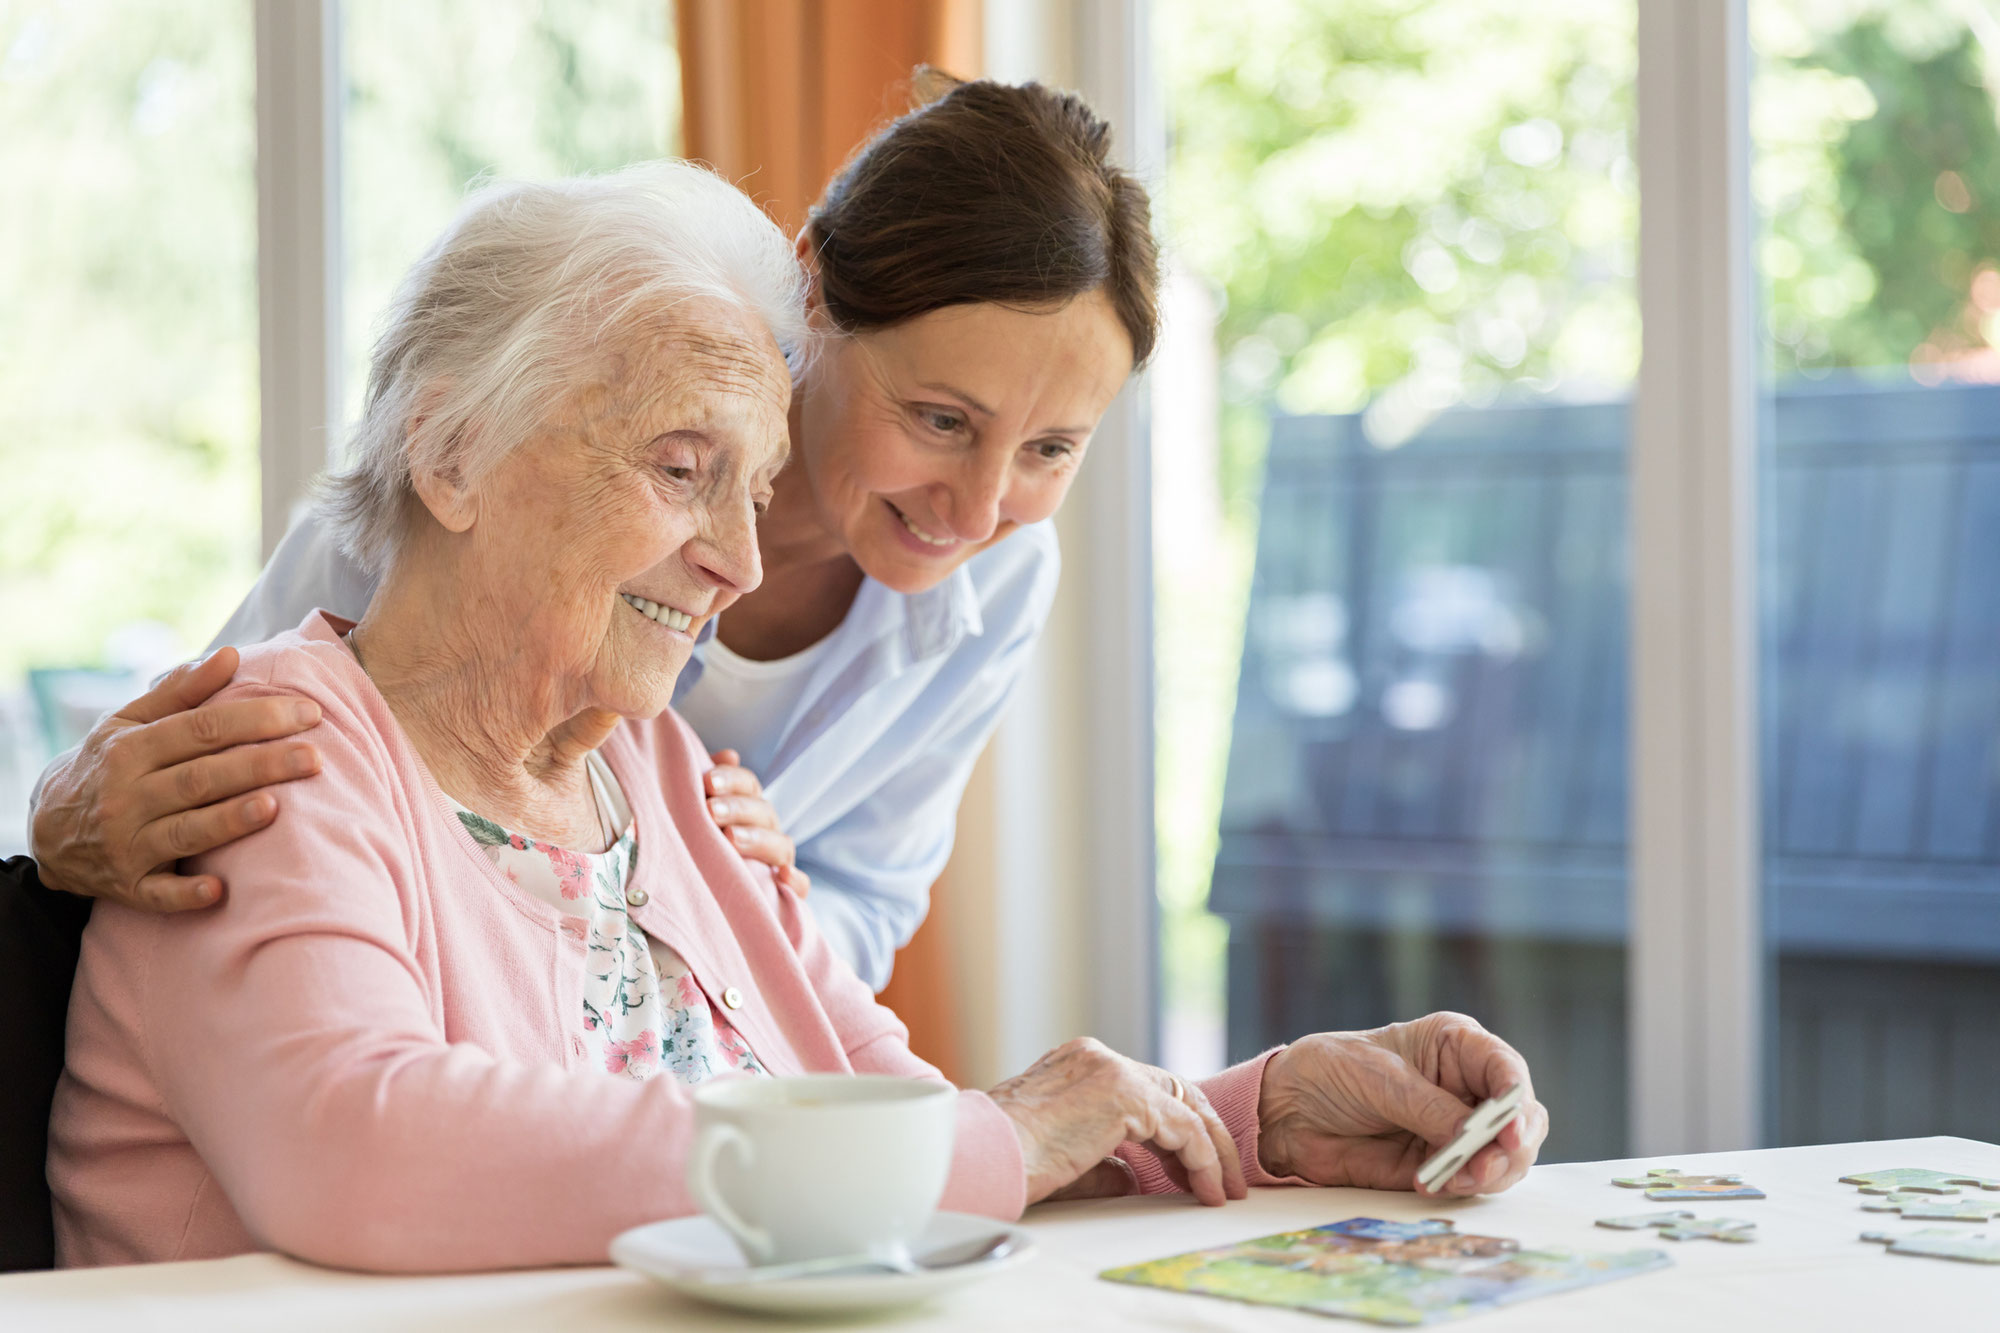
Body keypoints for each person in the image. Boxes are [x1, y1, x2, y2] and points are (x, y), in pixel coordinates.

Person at [49, 165, 1548, 1273]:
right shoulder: (264, 755)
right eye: (681, 467)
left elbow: (908, 1136)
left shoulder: (674, 783)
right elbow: (361, 1150)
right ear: (452, 454)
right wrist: (988, 1137)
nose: (742, 560)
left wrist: (1248, 1115)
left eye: (754, 489)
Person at [30, 73, 1154, 990]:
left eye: (1051, 449)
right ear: (810, 285)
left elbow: (867, 897)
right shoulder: (521, 466)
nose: (978, 505)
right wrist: (56, 829)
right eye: (940, 420)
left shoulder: (1001, 581)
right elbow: (188, 762)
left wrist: (766, 903)